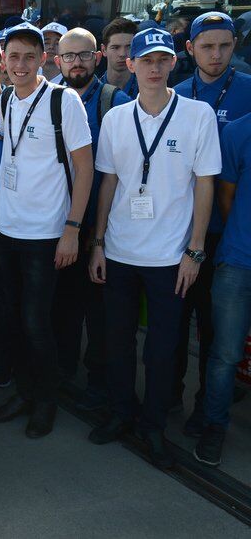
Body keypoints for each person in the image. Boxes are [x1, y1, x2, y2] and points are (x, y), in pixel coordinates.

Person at [87, 28, 220, 469]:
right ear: (131, 65)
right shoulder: (115, 119)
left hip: (170, 258)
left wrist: (195, 250)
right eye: (147, 60)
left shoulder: (197, 115)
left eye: (162, 60)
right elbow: (108, 182)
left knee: (162, 350)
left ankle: (154, 425)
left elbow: (205, 184)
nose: (155, 67)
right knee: (117, 342)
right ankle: (122, 413)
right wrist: (99, 243)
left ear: (172, 63)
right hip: (121, 252)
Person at [0, 23, 93, 438]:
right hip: (7, 229)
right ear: (4, 63)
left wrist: (72, 229)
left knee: (36, 321)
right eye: (14, 57)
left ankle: (45, 399)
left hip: (46, 233)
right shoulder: (7, 98)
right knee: (10, 318)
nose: (21, 64)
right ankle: (26, 392)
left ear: (43, 59)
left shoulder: (64, 101)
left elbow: (84, 168)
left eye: (30, 56)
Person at [172, 11, 251, 434]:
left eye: (224, 45)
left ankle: (206, 406)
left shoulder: (249, 92)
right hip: (180, 233)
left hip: (229, 238)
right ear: (190, 49)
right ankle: (168, 397)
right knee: (177, 322)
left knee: (217, 332)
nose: (216, 54)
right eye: (207, 46)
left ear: (234, 46)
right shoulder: (175, 93)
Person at [48, 28, 130, 408]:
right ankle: (63, 376)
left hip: (100, 226)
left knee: (99, 312)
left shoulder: (115, 101)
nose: (76, 62)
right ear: (58, 60)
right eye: (69, 56)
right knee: (63, 306)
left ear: (97, 57)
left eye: (84, 55)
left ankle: (98, 385)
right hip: (57, 223)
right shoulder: (48, 98)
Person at [197, 110, 251, 465]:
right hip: (239, 260)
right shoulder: (238, 132)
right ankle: (213, 427)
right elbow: (226, 197)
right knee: (226, 354)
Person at [101, 18, 139, 98]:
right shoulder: (92, 90)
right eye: (115, 47)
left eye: (129, 47)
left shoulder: (146, 90)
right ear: (104, 50)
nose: (122, 54)